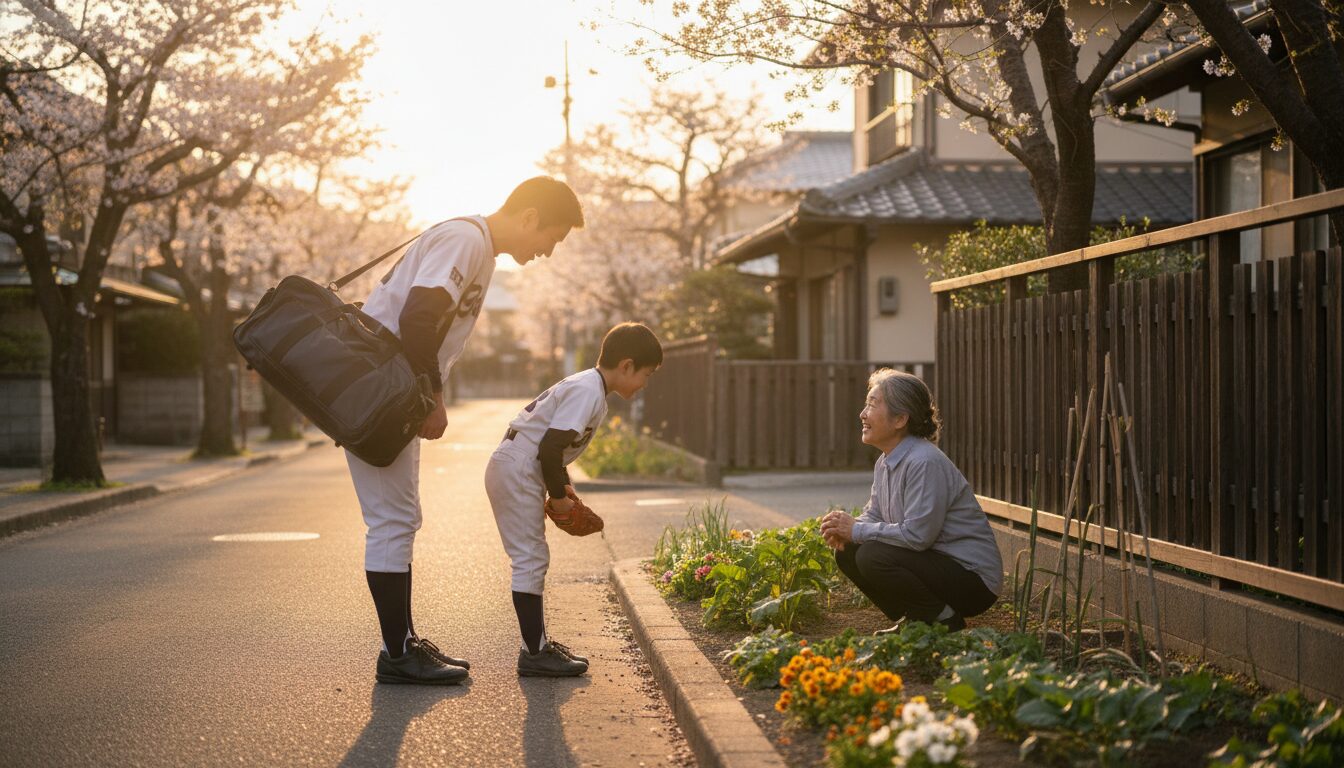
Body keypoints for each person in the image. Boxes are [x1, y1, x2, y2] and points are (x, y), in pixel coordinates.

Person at [346, 176, 584, 685]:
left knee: (399, 518)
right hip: (381, 391)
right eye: (552, 237)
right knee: (391, 521)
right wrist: (432, 395)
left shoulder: (479, 248)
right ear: (528, 218)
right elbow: (419, 315)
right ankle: (396, 653)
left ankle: (402, 644)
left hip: (385, 390)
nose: (547, 251)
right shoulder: (467, 239)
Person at [485, 322, 662, 677]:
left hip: (517, 463)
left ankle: (537, 646)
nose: (644, 384)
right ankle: (534, 653)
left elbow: (553, 449)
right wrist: (559, 498)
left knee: (532, 557)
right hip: (519, 466)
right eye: (646, 374)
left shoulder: (588, 385)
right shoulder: (588, 391)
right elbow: (550, 448)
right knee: (530, 558)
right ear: (626, 365)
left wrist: (563, 488)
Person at [819, 369, 1002, 634]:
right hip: (934, 563)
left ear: (900, 419)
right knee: (849, 551)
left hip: (972, 580)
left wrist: (857, 529)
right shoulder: (886, 461)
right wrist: (845, 528)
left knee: (872, 555)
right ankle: (916, 618)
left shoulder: (924, 462)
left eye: (872, 404)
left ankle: (943, 620)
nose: (863, 414)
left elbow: (918, 536)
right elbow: (876, 514)